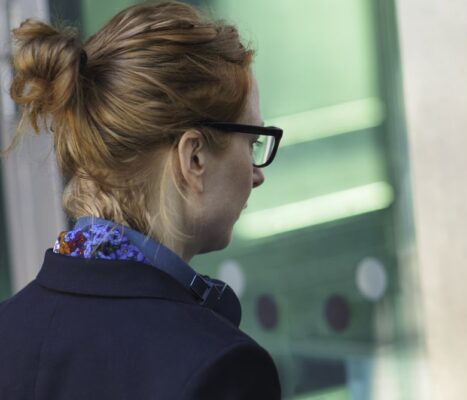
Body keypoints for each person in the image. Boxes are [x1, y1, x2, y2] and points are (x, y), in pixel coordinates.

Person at [0, 1, 283, 399]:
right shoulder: (218, 366)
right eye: (252, 143)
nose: (258, 174)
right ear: (194, 157)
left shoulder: (8, 333)